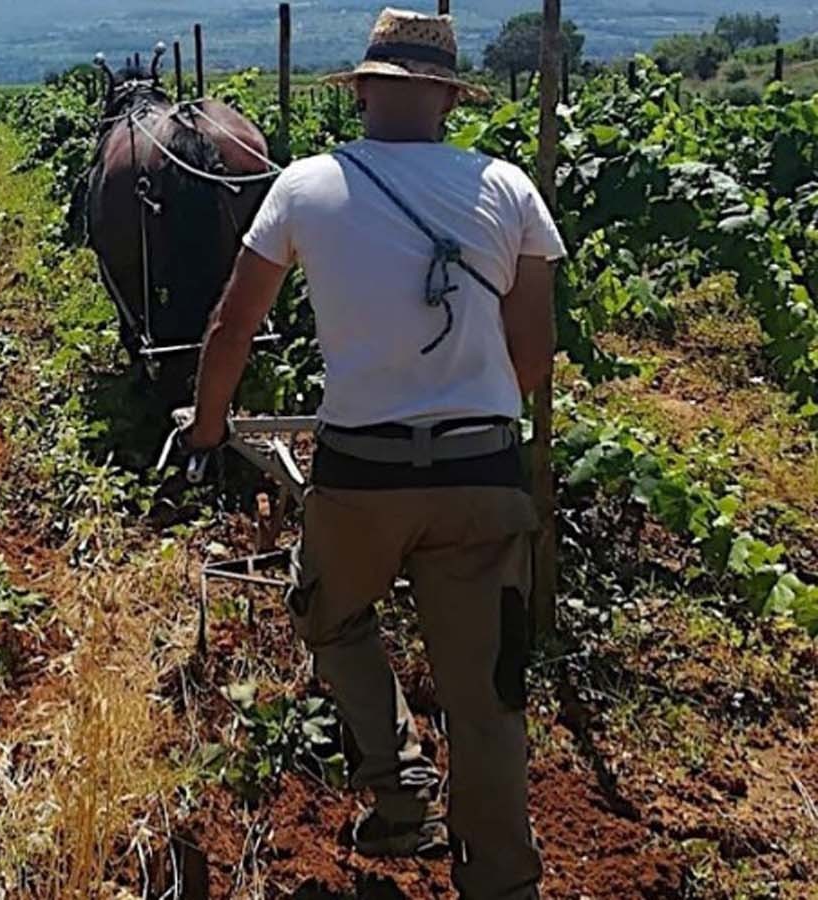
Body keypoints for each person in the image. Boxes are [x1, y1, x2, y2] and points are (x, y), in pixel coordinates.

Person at [182, 8, 564, 899]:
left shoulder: (307, 187)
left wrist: (206, 429)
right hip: (482, 473)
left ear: (359, 92)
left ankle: (399, 787)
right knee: (488, 698)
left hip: (361, 474)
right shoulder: (509, 190)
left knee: (328, 614)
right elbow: (535, 360)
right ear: (448, 98)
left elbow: (233, 324)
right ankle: (500, 881)